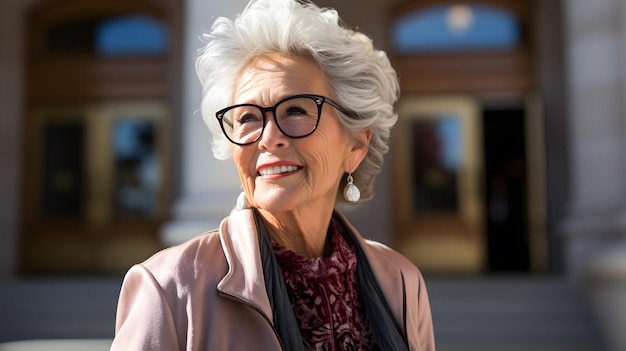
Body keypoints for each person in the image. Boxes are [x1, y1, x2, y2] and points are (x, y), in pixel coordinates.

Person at [111, 0, 435, 350]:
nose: (267, 138)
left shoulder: (402, 283)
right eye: (248, 117)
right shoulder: (169, 290)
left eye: (295, 110)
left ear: (356, 143)